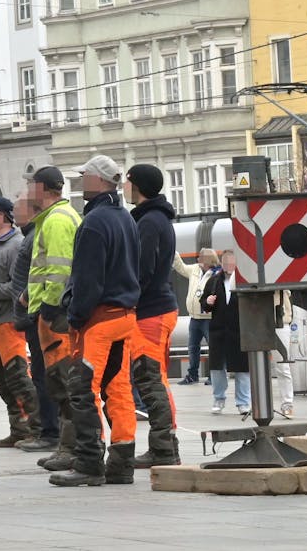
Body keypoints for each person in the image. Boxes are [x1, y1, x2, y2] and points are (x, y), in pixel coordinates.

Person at [50, 155, 141, 488]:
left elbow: (88, 280)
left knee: (82, 390)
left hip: (99, 320)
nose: (81, 180)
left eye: (84, 174)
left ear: (99, 180)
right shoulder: (125, 219)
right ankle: (122, 462)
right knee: (118, 390)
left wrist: (75, 316)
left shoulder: (94, 222)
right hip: (125, 317)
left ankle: (89, 462)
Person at [25, 166, 83, 472]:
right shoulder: (61, 217)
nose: (28, 193)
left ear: (43, 189)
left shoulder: (57, 221)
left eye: (31, 187)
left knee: (63, 383)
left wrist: (49, 307)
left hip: (55, 318)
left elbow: (59, 269)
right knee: (62, 383)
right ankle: (68, 444)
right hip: (55, 313)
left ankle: (71, 448)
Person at [125, 163, 180, 468]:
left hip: (150, 312)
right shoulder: (155, 219)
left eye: (128, 182)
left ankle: (163, 447)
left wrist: (128, 299)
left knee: (150, 379)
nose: (124, 188)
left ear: (139, 186)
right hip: (157, 309)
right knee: (154, 377)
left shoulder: (149, 223)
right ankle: (165, 445)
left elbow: (142, 271)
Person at [0, 196, 40, 448]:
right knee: (3, 381)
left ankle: (34, 427)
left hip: (9, 323)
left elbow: (17, 286)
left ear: (1, 215)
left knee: (18, 378)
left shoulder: (15, 245)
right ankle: (18, 428)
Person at [12, 193, 60, 453]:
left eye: (17, 206)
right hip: (33, 315)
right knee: (42, 375)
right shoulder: (31, 235)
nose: (13, 211)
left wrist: (28, 296)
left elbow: (42, 272)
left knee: (44, 376)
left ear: (30, 210)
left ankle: (50, 431)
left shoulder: (33, 237)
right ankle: (47, 430)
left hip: (38, 315)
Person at [201, 249, 250, 415]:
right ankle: (219, 398)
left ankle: (243, 402)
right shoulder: (214, 281)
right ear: (222, 263)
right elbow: (204, 304)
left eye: (232, 262)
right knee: (216, 368)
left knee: (242, 368)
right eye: (226, 262)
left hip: (239, 330)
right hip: (218, 331)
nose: (229, 266)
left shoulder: (245, 280)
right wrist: (207, 301)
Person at [173, 249, 219, 384]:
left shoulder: (217, 274)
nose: (198, 259)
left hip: (209, 318)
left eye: (201, 258)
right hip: (194, 318)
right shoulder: (194, 269)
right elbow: (181, 267)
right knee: (193, 347)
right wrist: (175, 253)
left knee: (214, 348)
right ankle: (193, 375)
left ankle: (214, 376)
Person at [273, 289, 296, 419]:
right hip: (256, 321)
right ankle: (255, 403)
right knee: (256, 367)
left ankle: (287, 404)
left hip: (280, 320)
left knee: (282, 366)